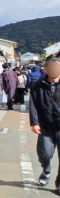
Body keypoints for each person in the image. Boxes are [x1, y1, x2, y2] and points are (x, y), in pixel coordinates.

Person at [29, 58, 60, 189]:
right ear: (46, 70)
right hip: (45, 125)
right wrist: (34, 123)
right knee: (44, 153)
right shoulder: (37, 85)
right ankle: (46, 170)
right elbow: (32, 105)